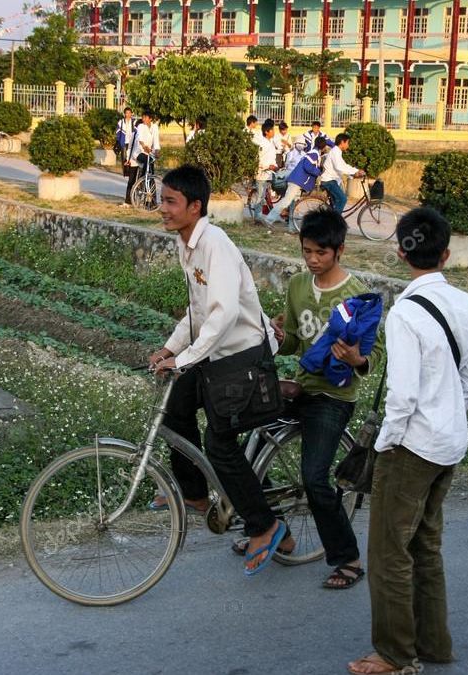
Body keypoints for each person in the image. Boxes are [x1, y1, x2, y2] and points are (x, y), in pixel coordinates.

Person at [349, 207, 468, 675]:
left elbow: (402, 395)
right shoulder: (467, 305)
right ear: (446, 253)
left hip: (411, 448)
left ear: (401, 248)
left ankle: (395, 654)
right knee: (425, 545)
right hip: (449, 443)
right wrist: (449, 414)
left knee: (389, 552)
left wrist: (386, 442)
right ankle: (434, 644)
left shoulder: (405, 313)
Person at [149, 164, 288, 574]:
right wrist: (169, 348)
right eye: (162, 200)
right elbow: (198, 311)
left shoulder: (216, 244)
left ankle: (266, 525)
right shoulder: (186, 242)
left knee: (220, 442)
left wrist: (186, 359)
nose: (163, 209)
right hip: (214, 349)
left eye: (170, 202)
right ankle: (194, 494)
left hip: (243, 351)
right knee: (176, 408)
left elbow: (225, 313)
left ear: (195, 207)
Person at [266, 208, 383, 590]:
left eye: (321, 253)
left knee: (315, 478)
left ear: (339, 251)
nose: (313, 260)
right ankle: (266, 526)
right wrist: (280, 336)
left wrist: (357, 359)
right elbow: (297, 340)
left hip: (334, 396)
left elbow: (375, 353)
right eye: (307, 252)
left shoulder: (356, 296)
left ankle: (348, 558)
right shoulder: (298, 285)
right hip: (301, 385)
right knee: (238, 430)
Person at [265, 136, 326, 232]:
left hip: (297, 181)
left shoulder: (312, 153)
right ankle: (269, 219)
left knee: (293, 205)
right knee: (286, 201)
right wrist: (318, 172)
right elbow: (308, 166)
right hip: (297, 181)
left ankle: (291, 228)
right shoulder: (314, 154)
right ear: (323, 146)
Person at [319, 133, 365, 215]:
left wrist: (355, 172)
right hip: (329, 181)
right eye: (347, 143)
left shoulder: (337, 152)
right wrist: (355, 172)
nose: (348, 145)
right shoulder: (335, 152)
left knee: (335, 204)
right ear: (342, 142)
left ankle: (328, 223)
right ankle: (335, 221)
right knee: (343, 199)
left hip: (332, 180)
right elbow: (339, 167)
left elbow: (344, 165)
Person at [123, 111, 159, 206]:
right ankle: (142, 180)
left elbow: (156, 140)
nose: (143, 119)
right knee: (135, 176)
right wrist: (144, 146)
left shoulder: (155, 127)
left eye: (146, 117)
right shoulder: (140, 127)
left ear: (150, 118)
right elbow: (139, 138)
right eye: (143, 117)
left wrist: (157, 151)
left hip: (148, 153)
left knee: (151, 176)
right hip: (138, 153)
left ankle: (151, 202)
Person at [249, 119, 279, 222]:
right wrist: (267, 166)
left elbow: (272, 158)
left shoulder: (270, 143)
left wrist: (275, 166)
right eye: (272, 130)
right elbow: (258, 159)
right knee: (260, 196)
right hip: (261, 173)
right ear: (267, 132)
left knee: (264, 196)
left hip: (269, 174)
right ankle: (257, 217)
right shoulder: (262, 143)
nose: (274, 132)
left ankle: (261, 215)